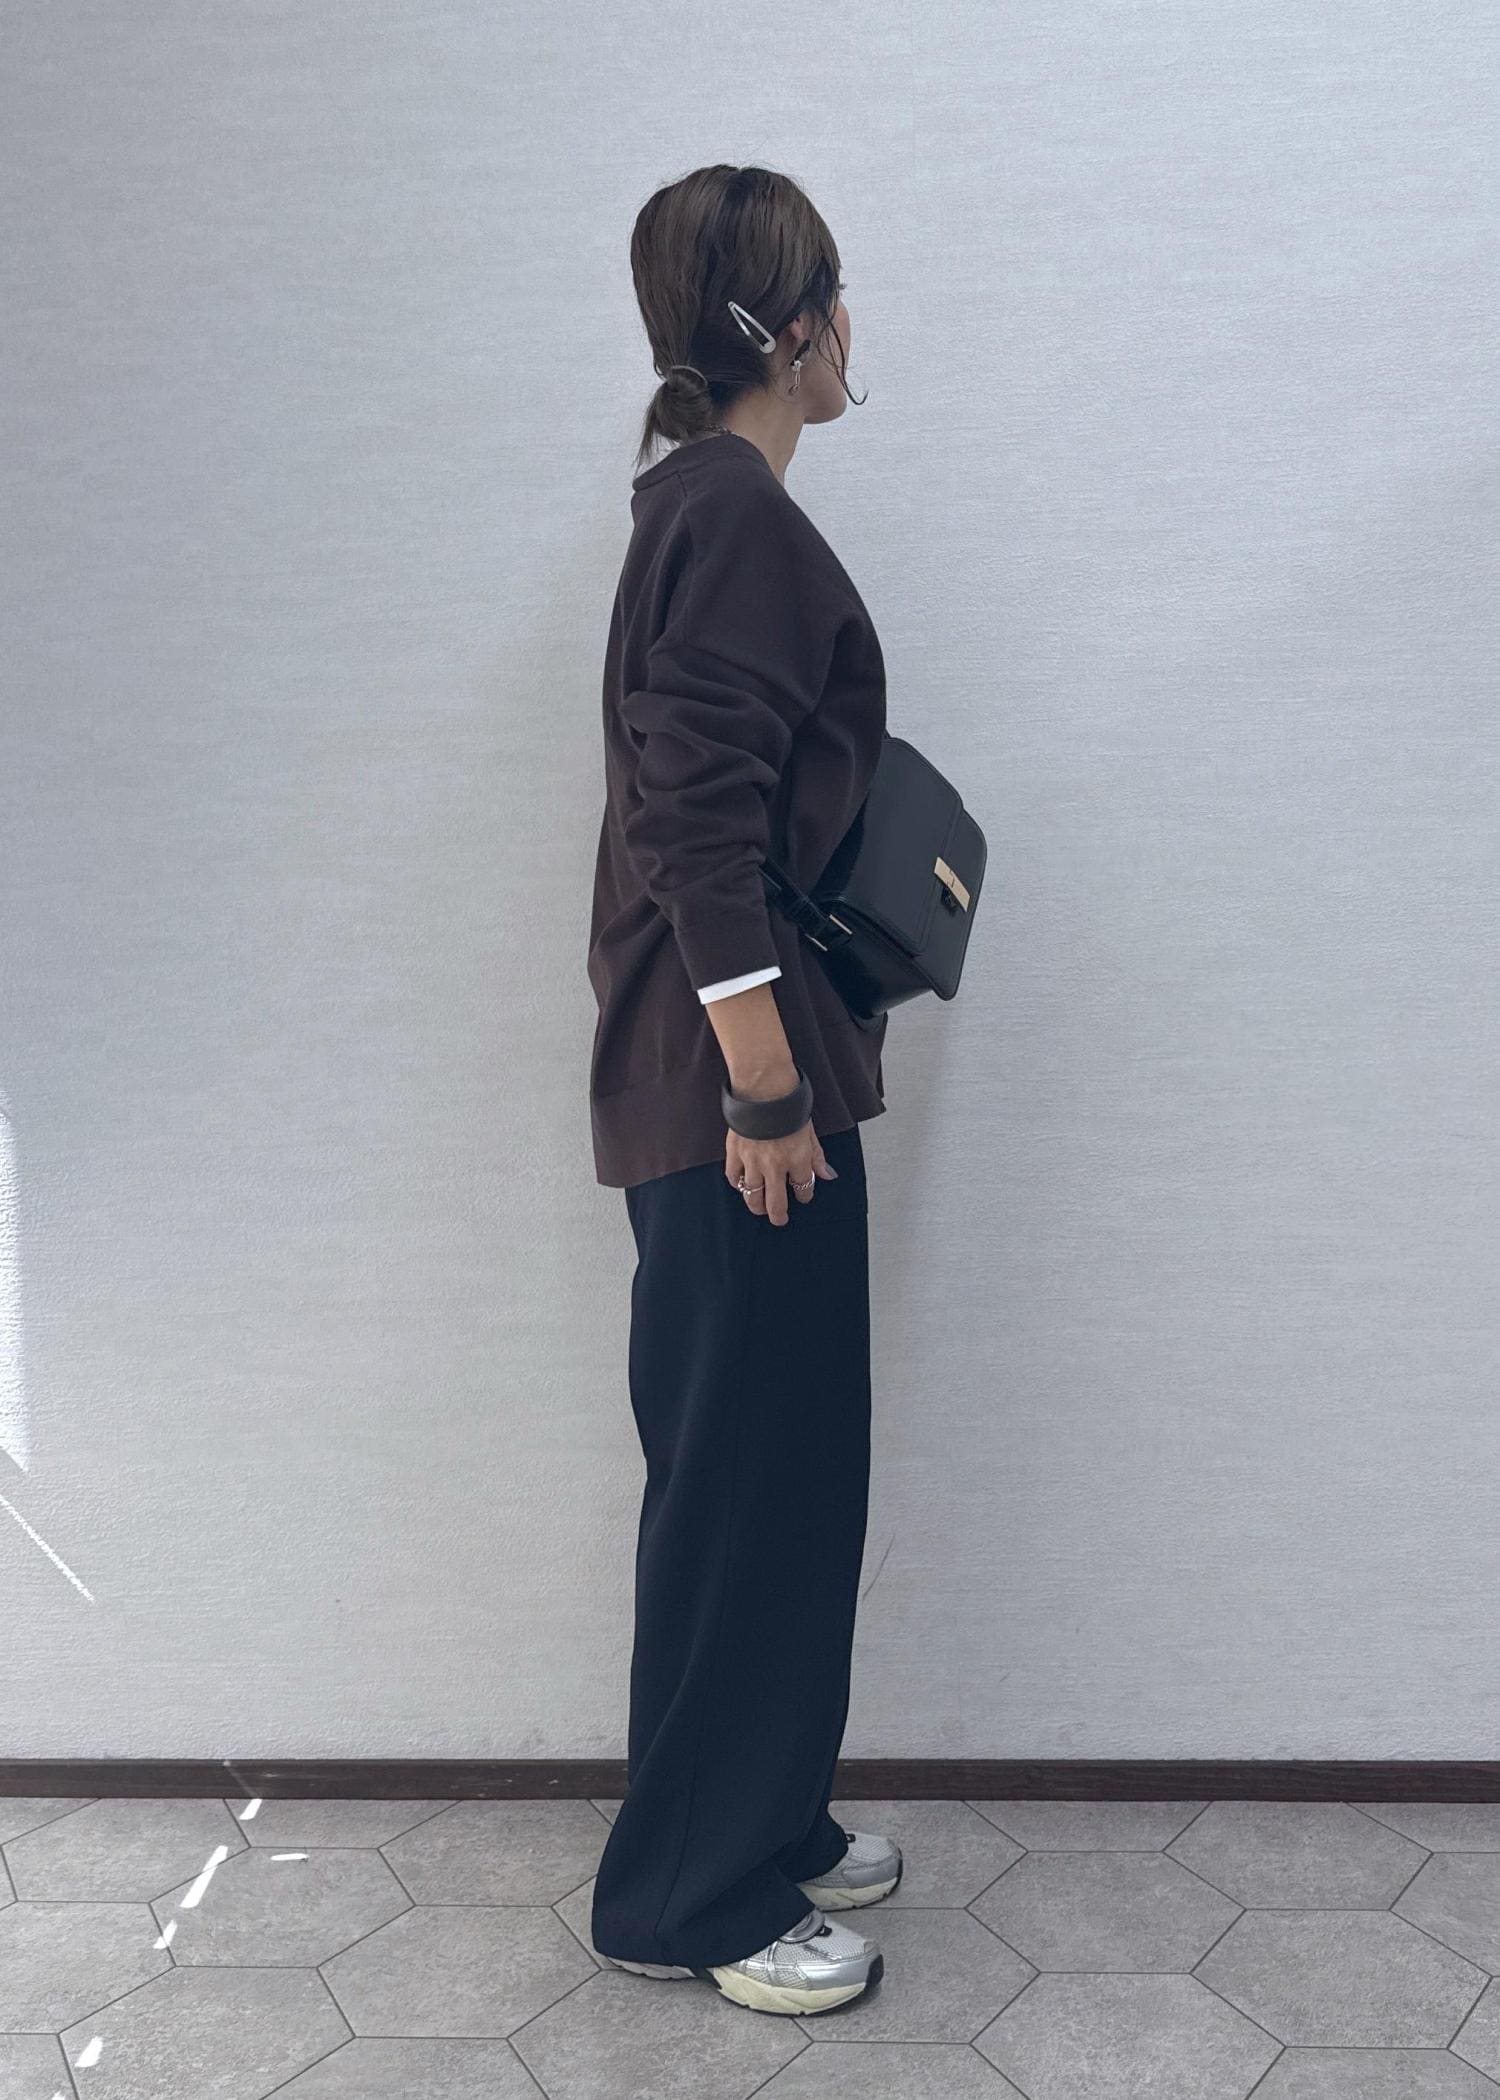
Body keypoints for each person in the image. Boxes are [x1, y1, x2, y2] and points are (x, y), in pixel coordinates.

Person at [585, 163, 902, 2018]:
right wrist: (766, 1094)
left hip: (739, 1083)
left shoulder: (703, 505)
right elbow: (691, 816)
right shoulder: (733, 515)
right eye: (839, 298)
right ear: (794, 327)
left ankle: (760, 1813)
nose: (855, 333)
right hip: (735, 1105)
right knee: (742, 1485)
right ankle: (685, 1894)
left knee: (782, 1468)